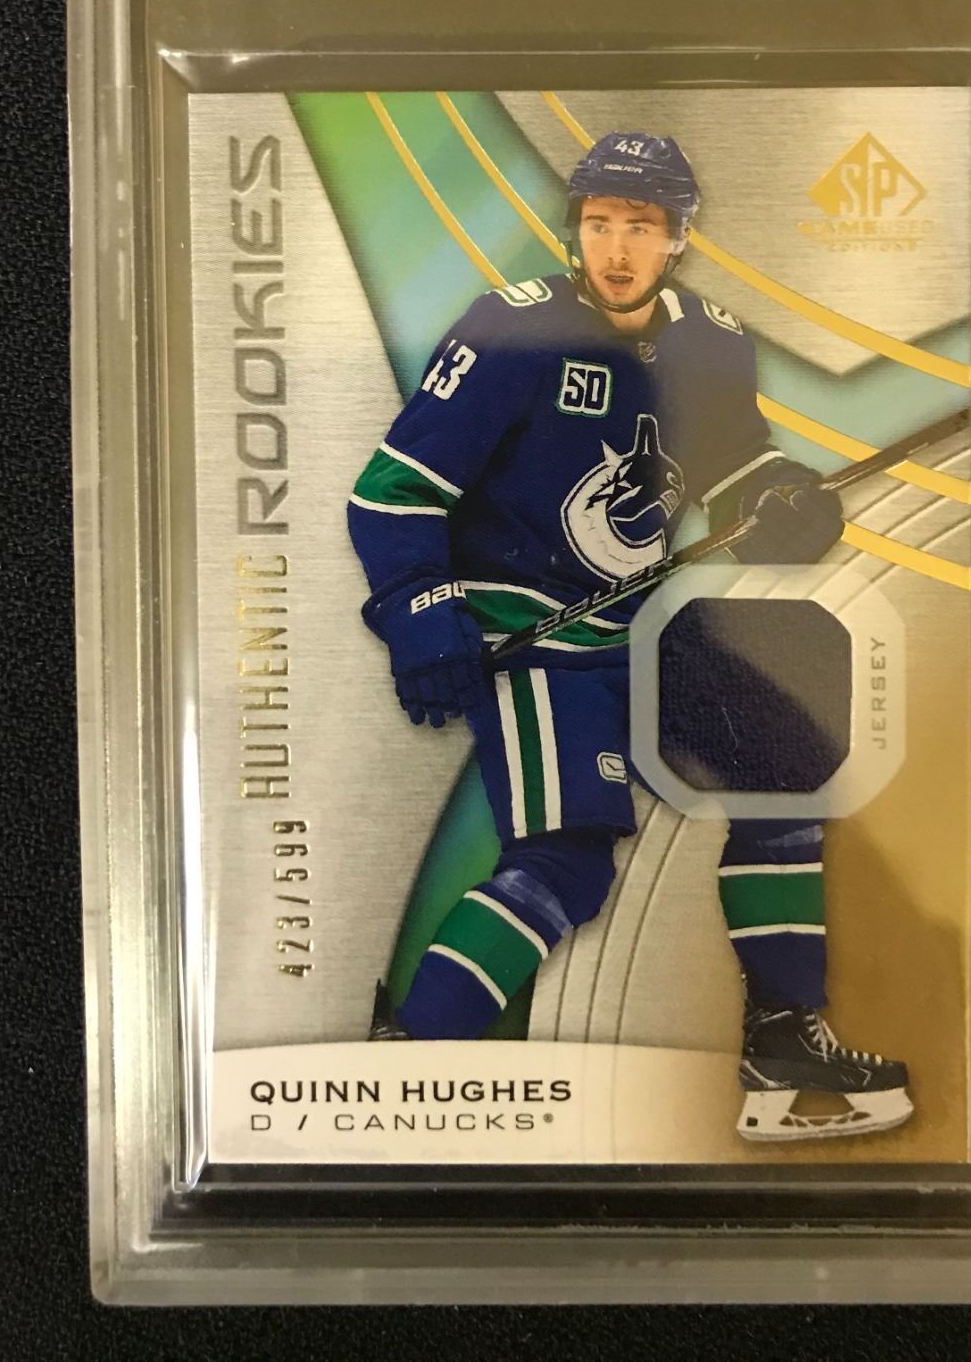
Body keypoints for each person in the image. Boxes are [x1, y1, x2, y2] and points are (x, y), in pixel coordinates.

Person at [348, 132, 912, 1139]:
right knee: (567, 863)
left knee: (785, 774)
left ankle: (782, 1042)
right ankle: (409, 1062)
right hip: (533, 631)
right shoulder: (512, 332)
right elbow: (393, 494)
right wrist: (416, 609)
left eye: (641, 226)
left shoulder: (711, 342)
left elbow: (735, 468)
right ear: (575, 228)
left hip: (646, 628)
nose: (616, 247)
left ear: (678, 237)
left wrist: (781, 498)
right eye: (599, 222)